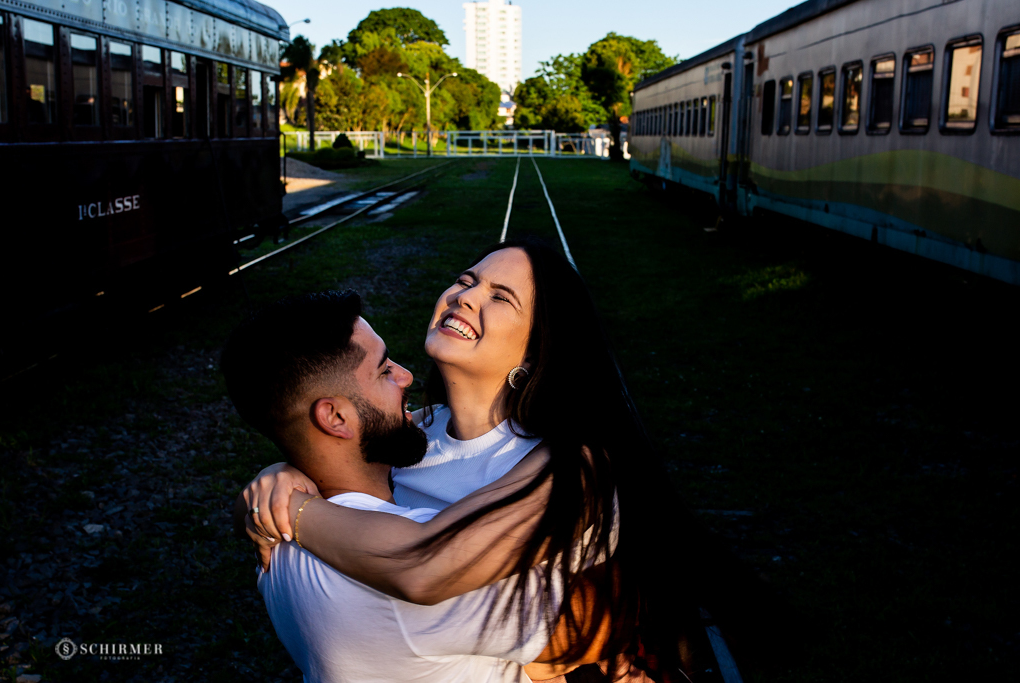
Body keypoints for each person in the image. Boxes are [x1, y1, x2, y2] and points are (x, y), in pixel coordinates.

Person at [242, 239, 778, 682]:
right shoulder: (407, 438)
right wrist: (281, 474)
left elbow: (589, 618)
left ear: (536, 348)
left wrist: (295, 512)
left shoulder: (561, 464)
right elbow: (337, 461)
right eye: (467, 280)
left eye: (502, 297)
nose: (464, 297)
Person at [221, 289, 583, 682]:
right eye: (383, 370)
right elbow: (592, 623)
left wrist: (273, 479)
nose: (406, 375)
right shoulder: (406, 564)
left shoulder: (272, 533)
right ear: (336, 418)